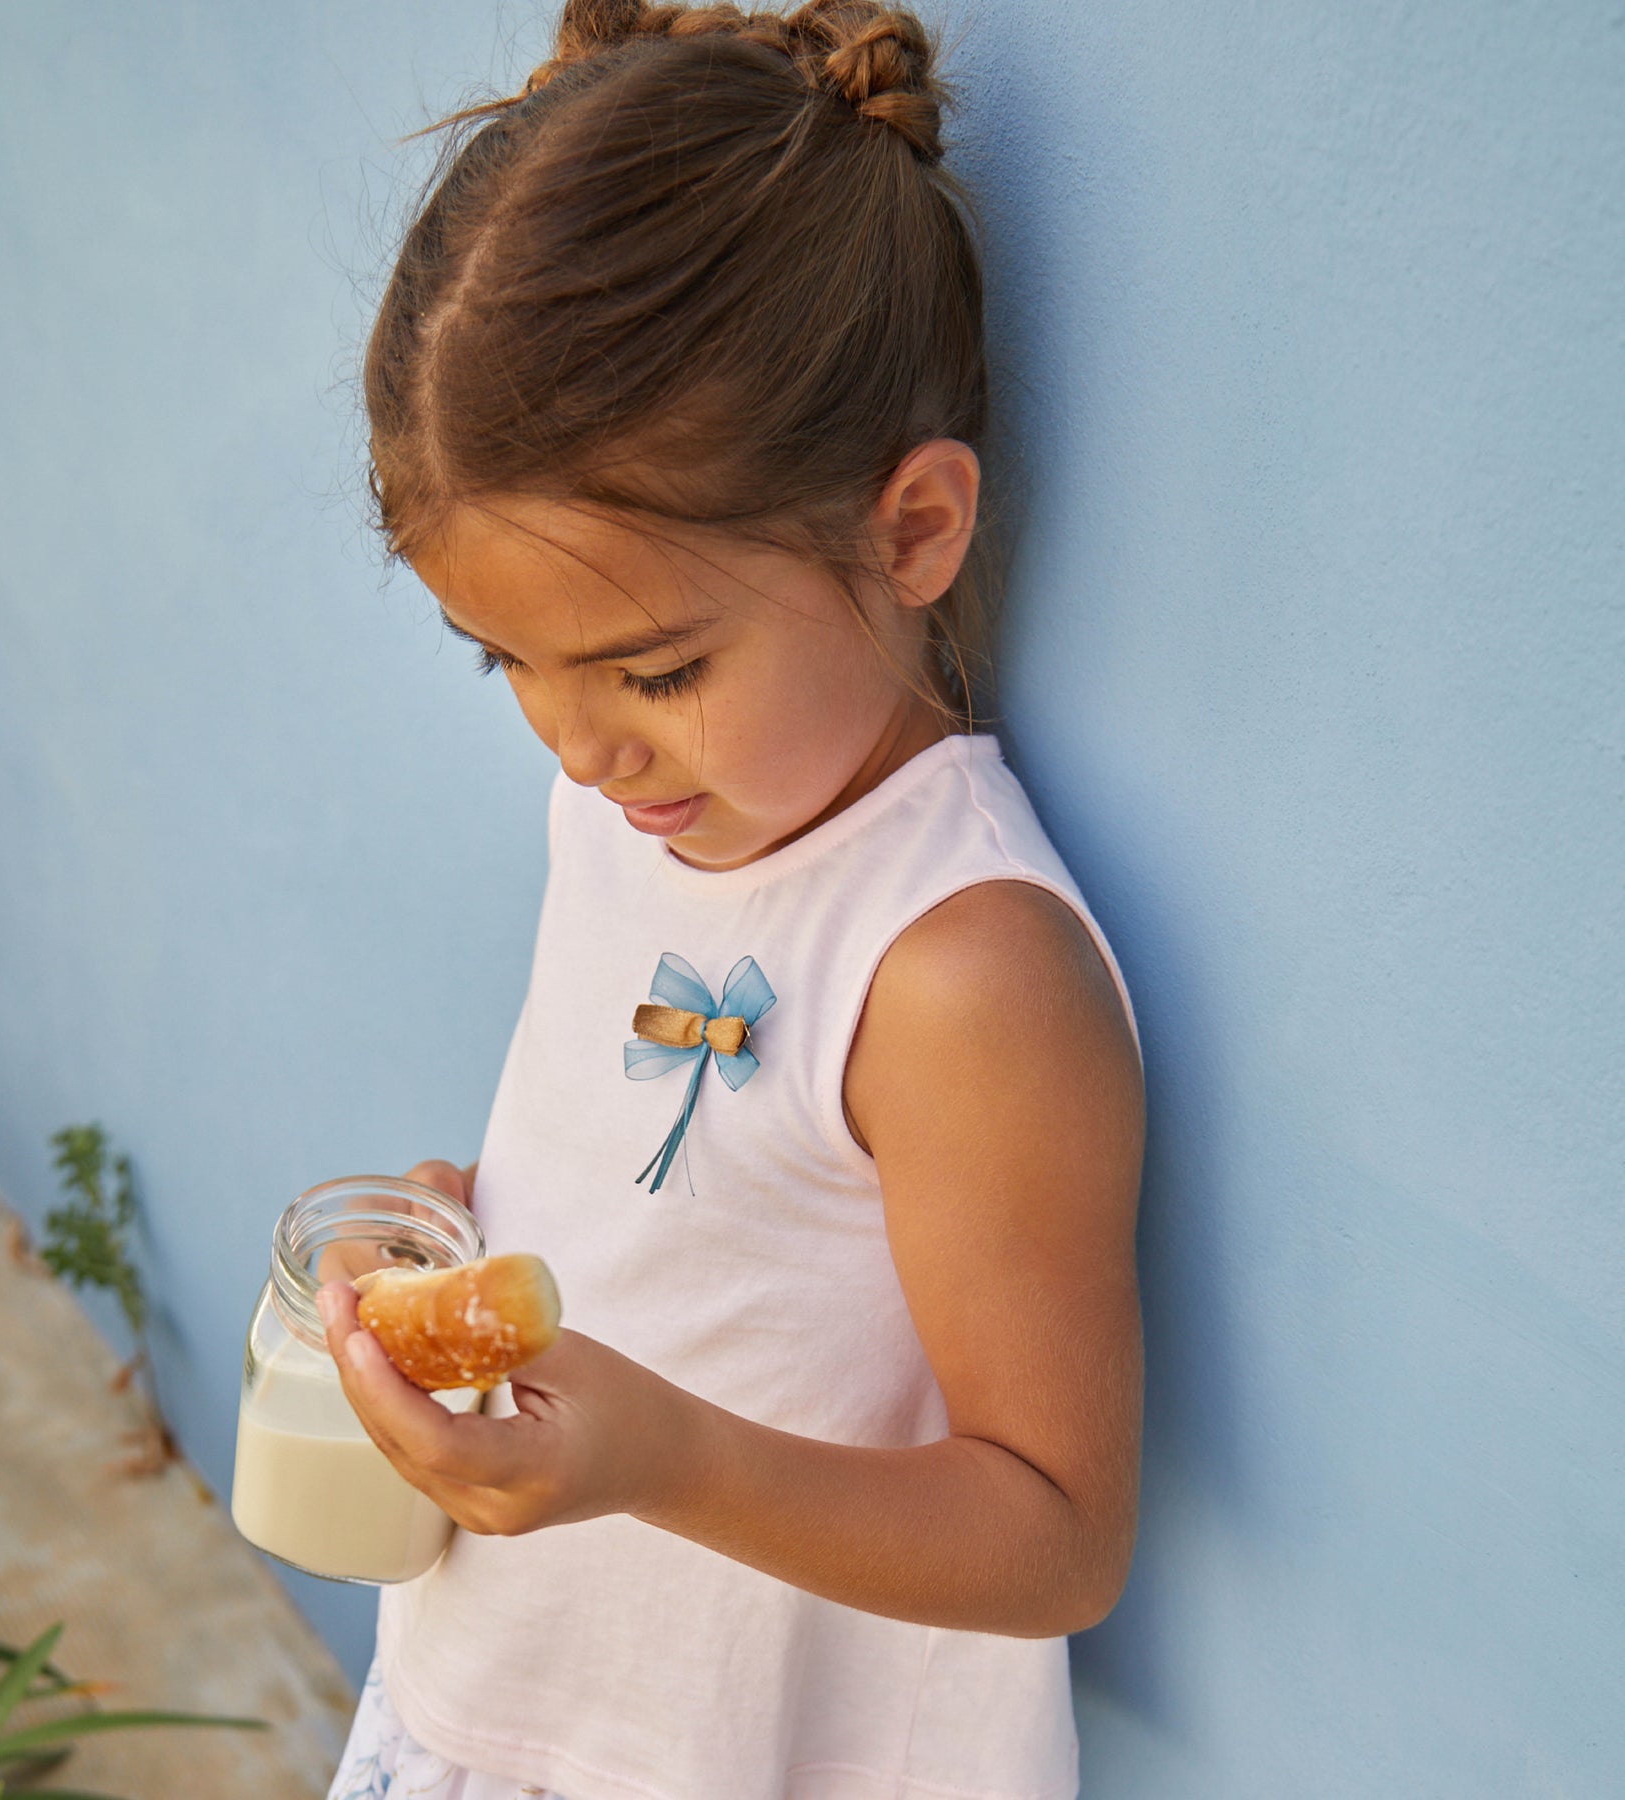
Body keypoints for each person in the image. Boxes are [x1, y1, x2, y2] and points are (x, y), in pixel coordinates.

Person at [317, 3, 1145, 1796]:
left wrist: (663, 1458)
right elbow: (664, 1204)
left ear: (912, 532)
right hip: (500, 1700)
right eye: (502, 662)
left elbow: (1060, 1537)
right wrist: (463, 1242)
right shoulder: (621, 811)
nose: (578, 746)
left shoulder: (955, 973)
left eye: (657, 670)